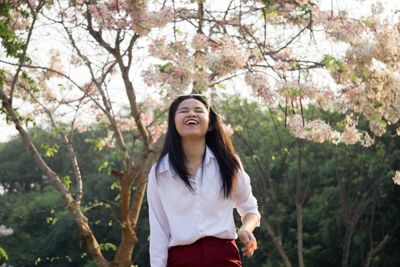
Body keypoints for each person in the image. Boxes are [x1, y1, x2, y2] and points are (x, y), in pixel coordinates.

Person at [147, 94, 261, 267]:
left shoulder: (229, 163)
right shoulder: (159, 172)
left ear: (210, 124)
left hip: (224, 257)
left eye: (198, 110)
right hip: (180, 259)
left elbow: (249, 207)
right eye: (184, 111)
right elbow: (159, 230)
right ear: (173, 123)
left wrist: (246, 229)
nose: (191, 114)